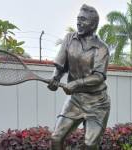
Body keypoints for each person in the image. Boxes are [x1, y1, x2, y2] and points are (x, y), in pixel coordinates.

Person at [47, 4, 110, 150]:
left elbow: (98, 77)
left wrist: (75, 84)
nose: (79, 22)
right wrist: (55, 78)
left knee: (90, 144)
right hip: (75, 100)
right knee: (56, 138)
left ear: (93, 24)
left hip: (97, 103)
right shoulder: (69, 39)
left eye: (83, 20)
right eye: (78, 19)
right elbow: (60, 66)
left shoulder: (101, 48)